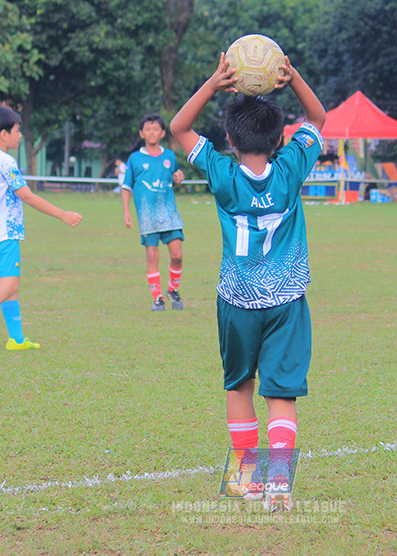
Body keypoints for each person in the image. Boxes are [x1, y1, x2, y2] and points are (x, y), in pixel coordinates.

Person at [170, 51, 326, 511]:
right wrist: (292, 76)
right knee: (282, 393)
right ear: (281, 137)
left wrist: (214, 83)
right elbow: (318, 116)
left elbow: (180, 127)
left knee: (240, 387)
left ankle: (249, 477)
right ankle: (280, 483)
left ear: (229, 140)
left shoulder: (221, 173)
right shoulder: (292, 167)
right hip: (286, 300)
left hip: (237, 301)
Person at [0, 106, 83, 355]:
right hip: (4, 233)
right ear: (3, 134)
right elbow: (28, 196)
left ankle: (16, 339)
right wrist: (63, 214)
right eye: (17, 131)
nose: (20, 136)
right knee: (8, 285)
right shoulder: (6, 162)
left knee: (11, 284)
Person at [121, 114, 187, 312]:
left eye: (155, 129)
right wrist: (126, 212)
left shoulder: (169, 156)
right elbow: (126, 187)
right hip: (147, 215)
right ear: (141, 133)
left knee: (177, 254)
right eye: (147, 129)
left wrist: (178, 179)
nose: (152, 132)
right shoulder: (135, 159)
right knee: (152, 256)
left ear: (163, 133)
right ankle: (157, 297)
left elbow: (173, 178)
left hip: (169, 213)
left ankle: (173, 290)